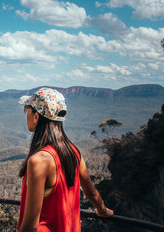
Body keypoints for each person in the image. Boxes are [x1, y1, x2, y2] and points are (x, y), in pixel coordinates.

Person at [17, 87, 113, 232]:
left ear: (36, 116)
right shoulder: (73, 152)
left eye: (27, 110)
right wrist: (103, 210)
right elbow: (91, 192)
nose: (26, 115)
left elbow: (30, 226)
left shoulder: (39, 160)